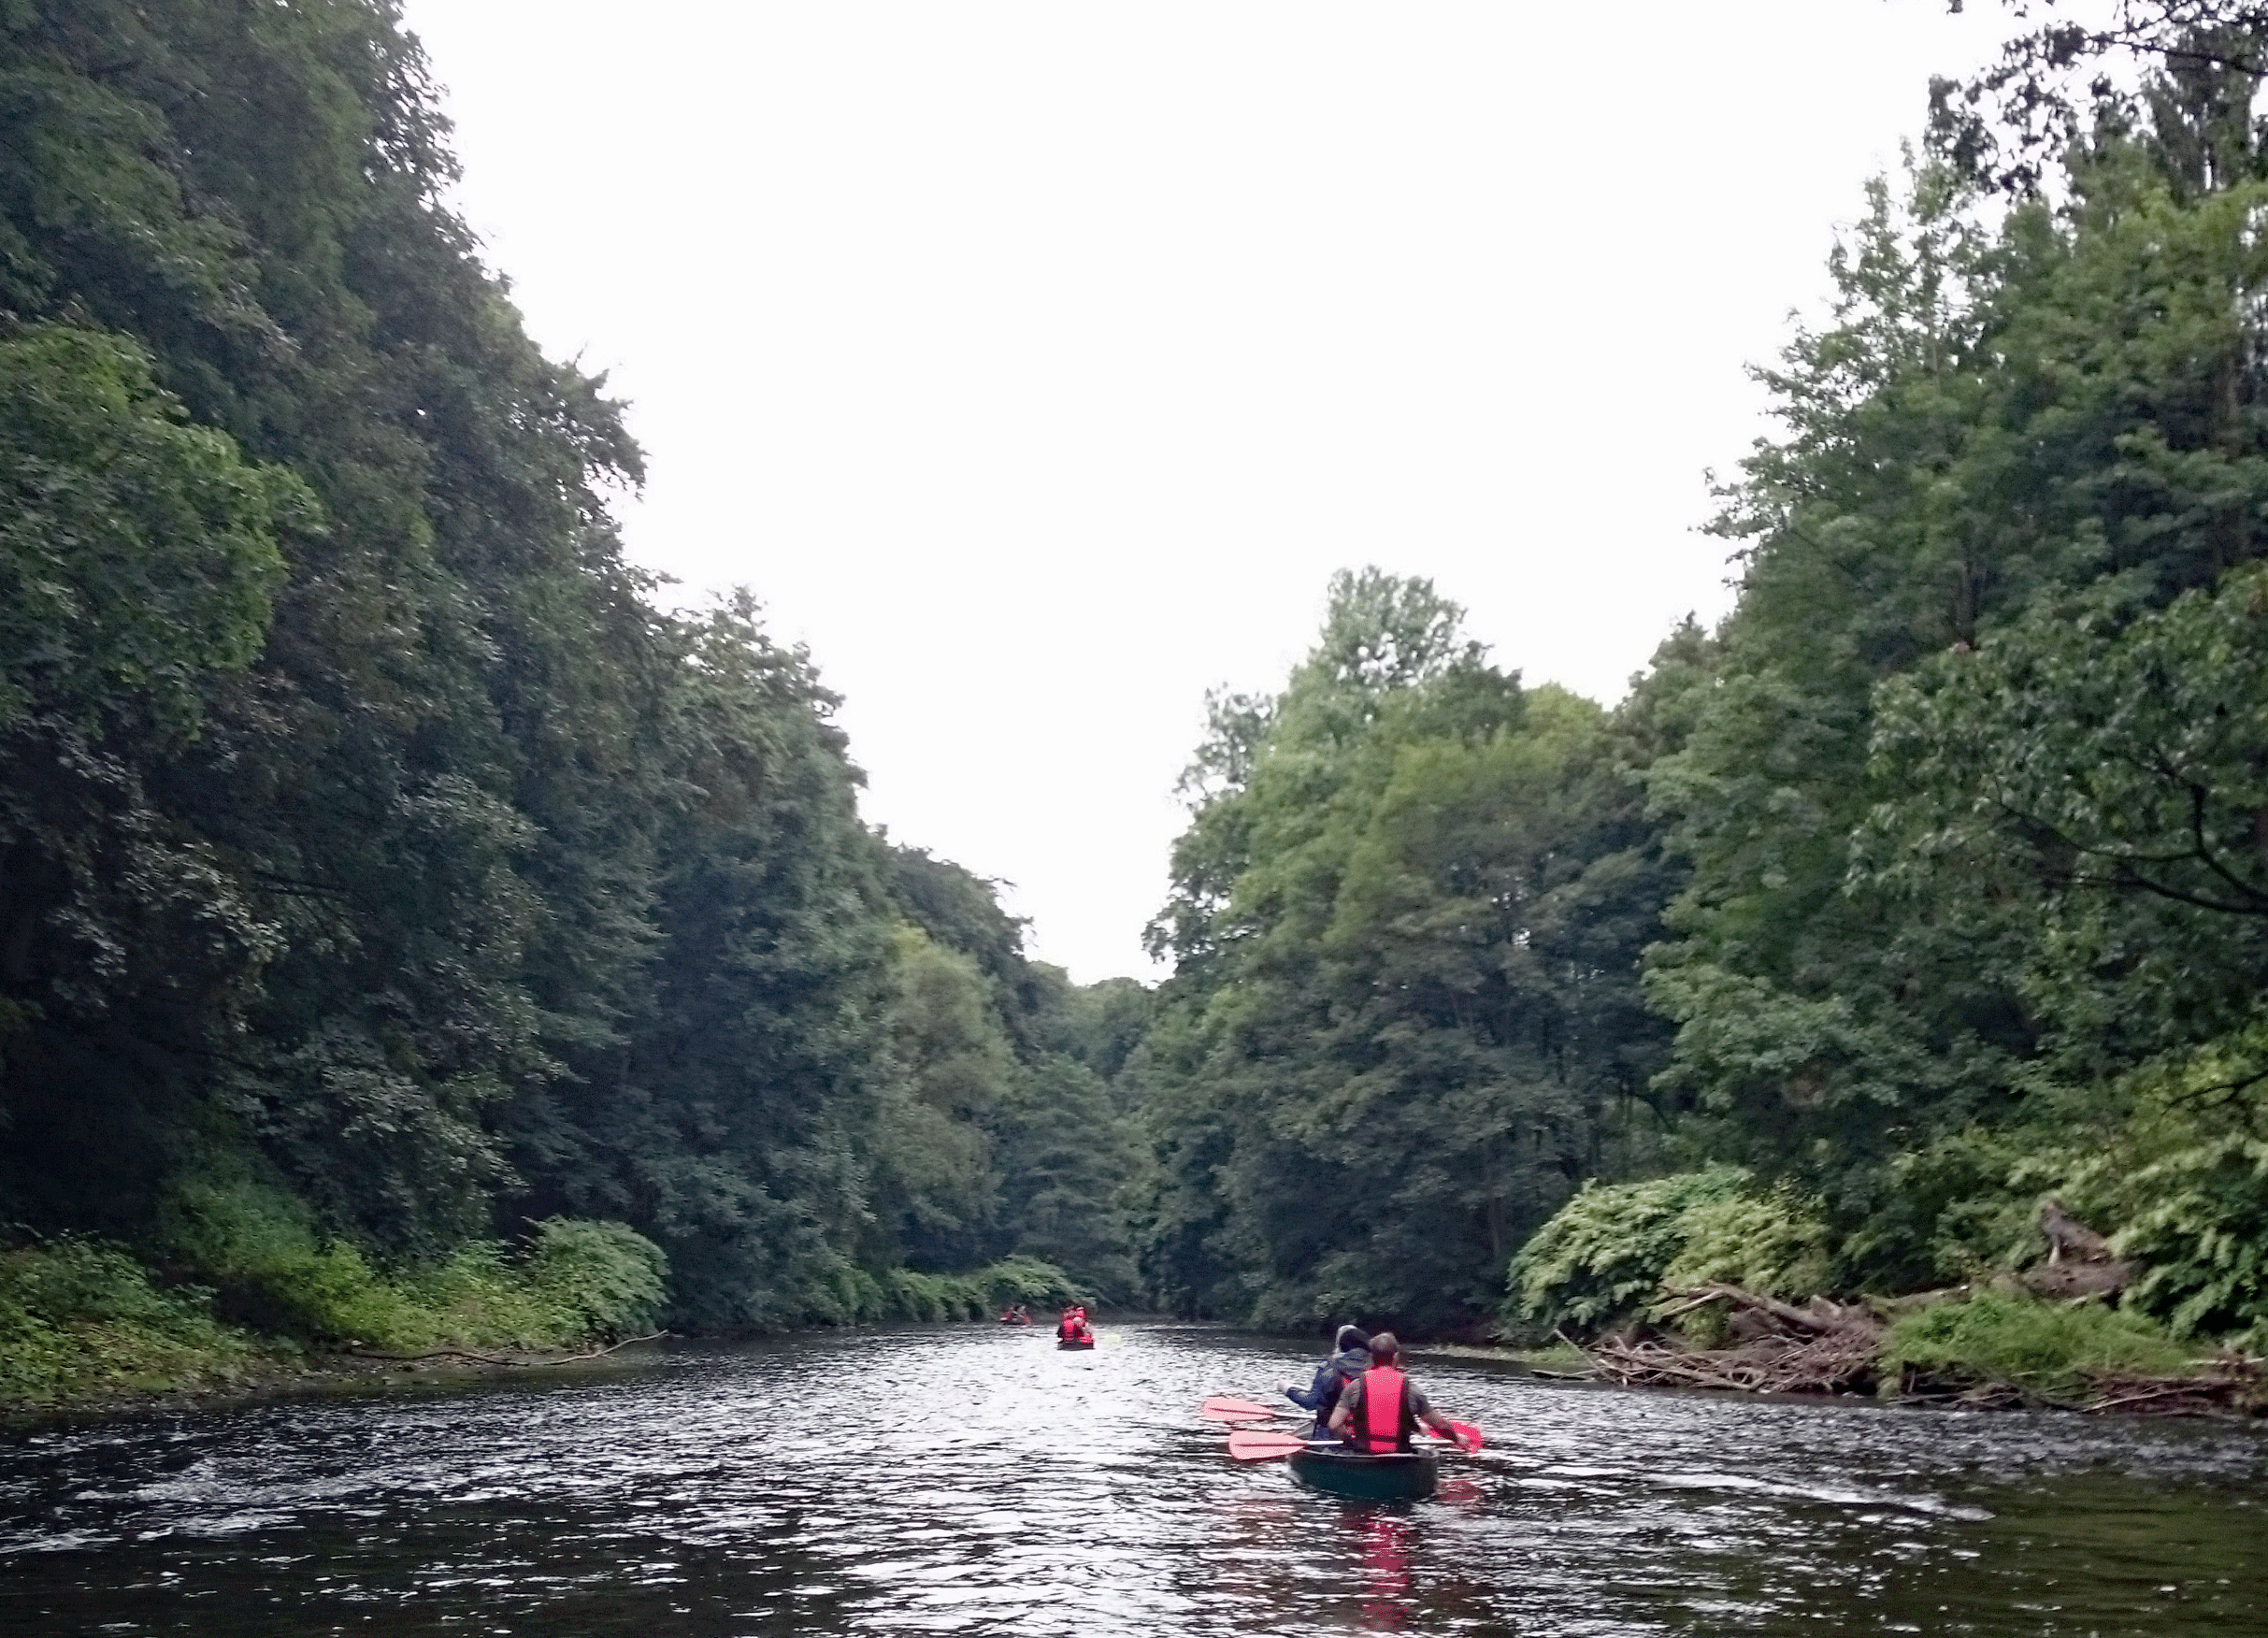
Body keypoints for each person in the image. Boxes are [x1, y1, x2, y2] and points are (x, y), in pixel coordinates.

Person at [1326, 1332, 1463, 1452]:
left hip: (1364, 1452)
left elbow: (1334, 1425)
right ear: (1396, 1357)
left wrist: (1350, 1442)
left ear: (1372, 1358)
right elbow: (1440, 1425)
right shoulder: (1411, 1389)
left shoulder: (1355, 1386)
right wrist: (1457, 1438)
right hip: (1399, 1456)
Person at [1286, 1325, 1371, 1427]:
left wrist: (1288, 1390)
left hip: (1329, 1431)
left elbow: (1311, 1402)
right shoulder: (1375, 1367)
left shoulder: (1329, 1366)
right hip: (1362, 1433)